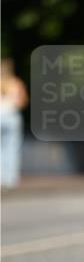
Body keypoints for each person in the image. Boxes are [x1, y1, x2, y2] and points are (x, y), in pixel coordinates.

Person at [0, 58, 28, 189]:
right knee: (12, 148)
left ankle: (1, 178)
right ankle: (11, 179)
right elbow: (23, 101)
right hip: (12, 116)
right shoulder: (16, 83)